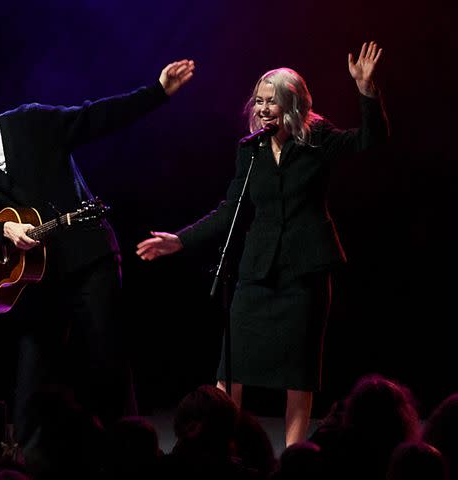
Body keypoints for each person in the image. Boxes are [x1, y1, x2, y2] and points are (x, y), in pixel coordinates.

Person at [0, 59, 195, 466]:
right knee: (33, 367)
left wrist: (156, 92)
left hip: (87, 258)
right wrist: (4, 232)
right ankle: (27, 460)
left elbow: (95, 117)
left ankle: (132, 454)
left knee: (106, 357)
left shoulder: (30, 123)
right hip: (38, 278)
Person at [136, 41, 389, 446]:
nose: (263, 108)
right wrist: (179, 241)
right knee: (231, 368)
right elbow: (230, 212)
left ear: (292, 103)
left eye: (271, 101)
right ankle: (219, 449)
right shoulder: (249, 151)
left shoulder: (318, 138)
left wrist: (366, 91)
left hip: (305, 272)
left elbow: (369, 141)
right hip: (256, 273)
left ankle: (293, 459)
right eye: (258, 101)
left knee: (298, 376)